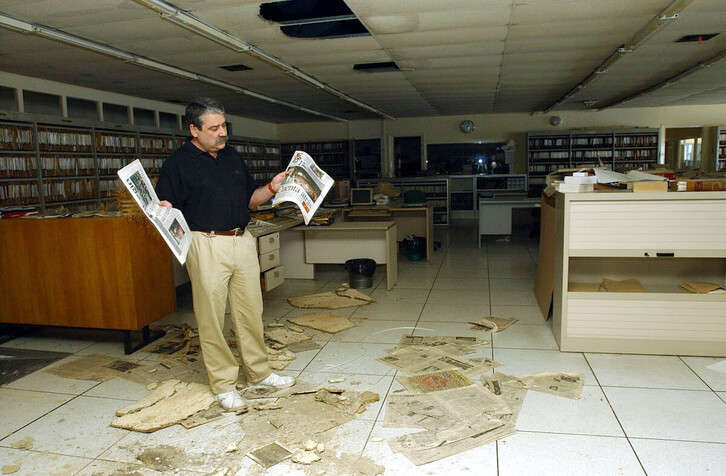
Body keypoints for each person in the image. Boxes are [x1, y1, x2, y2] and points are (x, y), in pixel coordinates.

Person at [155, 97, 293, 411]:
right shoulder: (178, 163)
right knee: (212, 318)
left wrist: (271, 188)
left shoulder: (232, 155)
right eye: (214, 128)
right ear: (194, 129)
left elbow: (250, 200)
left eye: (224, 126)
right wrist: (162, 208)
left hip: (242, 239)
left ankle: (259, 373)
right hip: (206, 244)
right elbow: (167, 208)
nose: (222, 133)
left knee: (250, 312)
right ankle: (223, 385)